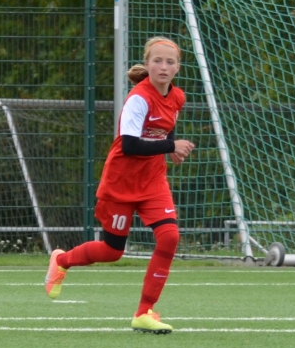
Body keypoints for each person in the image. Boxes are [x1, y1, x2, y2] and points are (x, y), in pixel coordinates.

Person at [43, 36, 193, 332]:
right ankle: (62, 260)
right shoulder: (139, 98)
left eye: (170, 62)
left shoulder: (177, 97)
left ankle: (144, 312)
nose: (164, 66)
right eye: (157, 61)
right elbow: (129, 144)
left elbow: (165, 127)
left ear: (178, 68)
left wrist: (171, 149)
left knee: (169, 237)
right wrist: (170, 146)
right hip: (121, 181)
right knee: (113, 251)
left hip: (153, 180)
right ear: (147, 64)